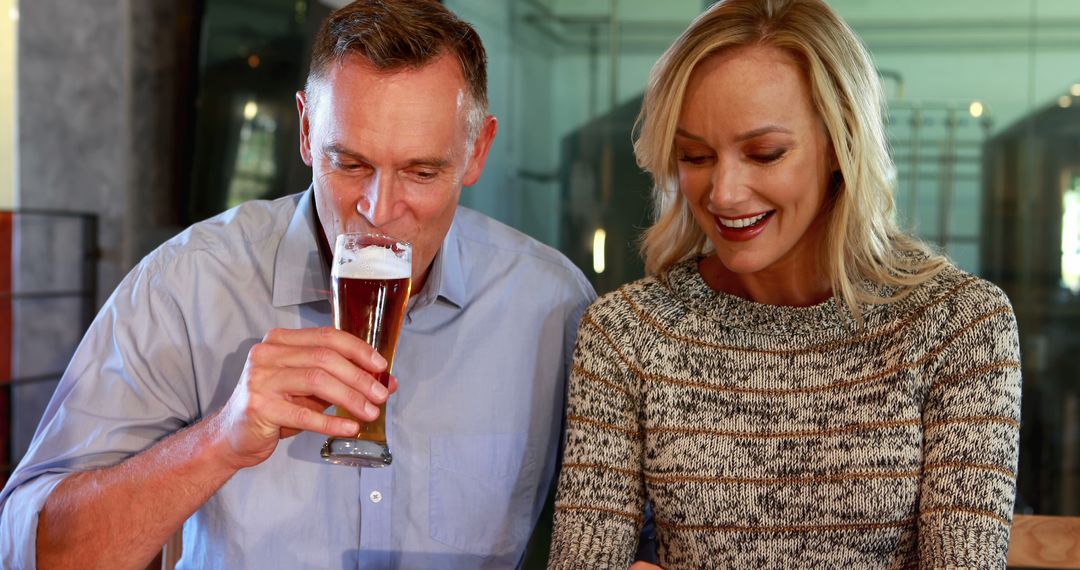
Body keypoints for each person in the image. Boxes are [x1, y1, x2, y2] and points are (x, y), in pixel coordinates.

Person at [0, 1, 595, 568]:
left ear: (477, 151)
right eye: (351, 164)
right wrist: (221, 439)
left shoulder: (550, 305)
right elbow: (34, 553)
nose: (379, 209)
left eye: (421, 172)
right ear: (307, 132)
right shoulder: (189, 282)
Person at [548, 0, 1021, 567]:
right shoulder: (627, 334)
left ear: (841, 147)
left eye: (764, 153)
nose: (722, 193)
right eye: (695, 155)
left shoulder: (959, 327)